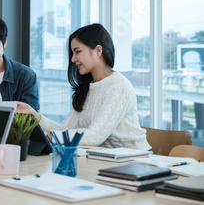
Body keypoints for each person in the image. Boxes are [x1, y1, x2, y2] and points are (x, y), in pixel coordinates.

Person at [18, 23, 150, 150]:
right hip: (104, 160)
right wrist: (35, 116)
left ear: (98, 50)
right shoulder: (87, 88)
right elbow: (65, 131)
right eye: (72, 53)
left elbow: (94, 136)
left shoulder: (119, 87)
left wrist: (53, 136)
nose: (73, 59)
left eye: (77, 51)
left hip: (135, 161)